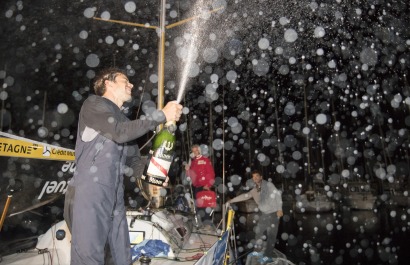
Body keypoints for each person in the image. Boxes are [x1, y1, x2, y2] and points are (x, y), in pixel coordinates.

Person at [63, 67, 183, 265]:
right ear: (108, 83)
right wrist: (160, 115)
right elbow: (118, 132)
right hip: (89, 192)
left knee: (121, 257)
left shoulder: (125, 121)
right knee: (89, 258)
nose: (131, 84)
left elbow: (134, 162)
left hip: (114, 196)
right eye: (125, 80)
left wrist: (155, 174)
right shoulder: (94, 104)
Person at [225, 169, 283, 263]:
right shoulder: (254, 190)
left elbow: (277, 195)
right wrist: (231, 201)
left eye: (256, 176)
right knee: (258, 233)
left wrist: (280, 208)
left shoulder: (268, 185)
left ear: (261, 177)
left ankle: (268, 256)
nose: (255, 178)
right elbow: (245, 196)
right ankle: (257, 251)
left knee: (271, 236)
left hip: (273, 213)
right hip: (264, 214)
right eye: (253, 177)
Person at [185, 144, 215, 228]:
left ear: (199, 150)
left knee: (204, 206)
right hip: (197, 187)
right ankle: (203, 224)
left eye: (196, 150)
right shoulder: (193, 162)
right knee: (198, 207)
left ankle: (208, 225)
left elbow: (211, 173)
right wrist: (187, 170)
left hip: (204, 186)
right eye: (193, 151)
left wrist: (208, 185)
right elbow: (191, 176)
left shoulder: (205, 160)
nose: (195, 152)